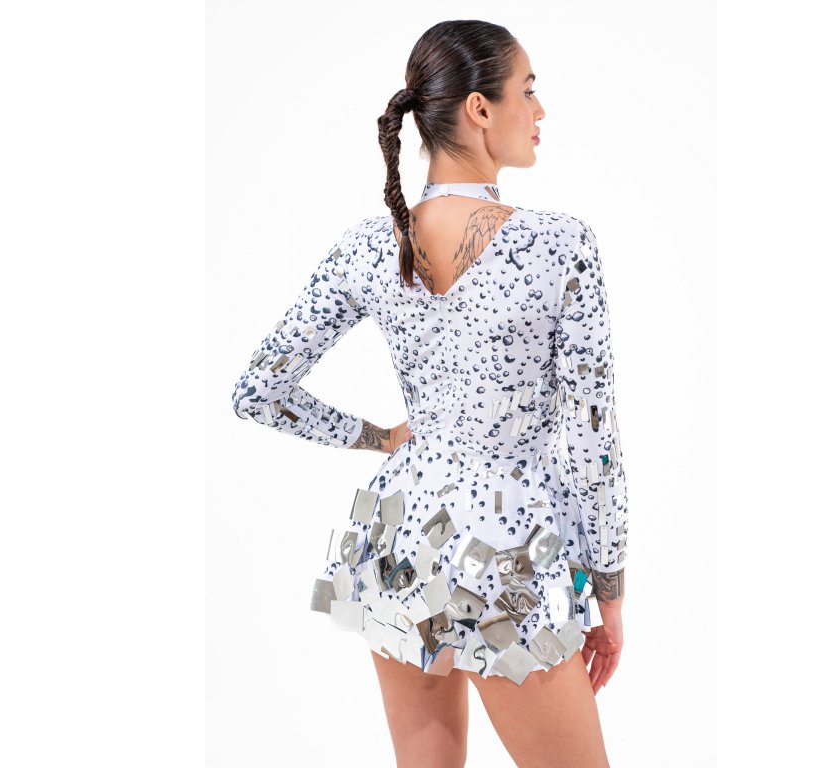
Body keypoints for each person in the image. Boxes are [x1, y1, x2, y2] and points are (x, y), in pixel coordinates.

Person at [231, 20, 626, 768]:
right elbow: (593, 441)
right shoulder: (561, 245)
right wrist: (608, 589)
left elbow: (258, 390)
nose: (539, 110)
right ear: (479, 108)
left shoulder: (368, 244)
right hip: (508, 551)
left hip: (400, 538)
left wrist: (382, 440)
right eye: (528, 91)